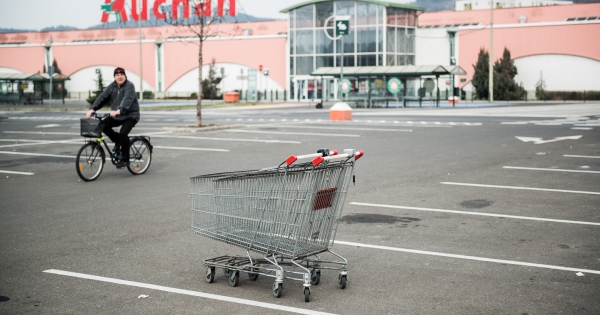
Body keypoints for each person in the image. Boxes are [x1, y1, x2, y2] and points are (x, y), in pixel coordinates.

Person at [86, 67, 140, 169]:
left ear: (125, 76)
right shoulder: (112, 87)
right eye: (117, 75)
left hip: (130, 115)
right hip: (117, 115)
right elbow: (102, 97)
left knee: (123, 133)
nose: (119, 77)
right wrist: (92, 109)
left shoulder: (129, 86)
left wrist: (119, 110)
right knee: (103, 125)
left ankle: (125, 159)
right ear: (114, 77)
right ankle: (118, 141)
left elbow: (127, 99)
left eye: (121, 75)